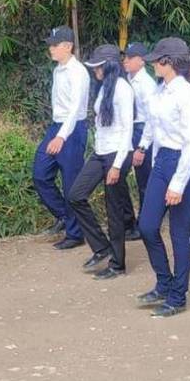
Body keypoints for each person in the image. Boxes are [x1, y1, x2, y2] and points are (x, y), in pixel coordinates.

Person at [133, 37, 190, 317]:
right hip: (163, 161)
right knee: (147, 226)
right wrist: (145, 150)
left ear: (170, 63)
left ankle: (178, 296)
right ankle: (164, 281)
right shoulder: (160, 92)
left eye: (157, 61)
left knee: (178, 233)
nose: (153, 65)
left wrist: (178, 183)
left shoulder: (188, 96)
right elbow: (153, 125)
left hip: (184, 164)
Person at [65, 45, 135, 279]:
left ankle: (117, 264)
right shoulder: (104, 87)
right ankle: (102, 247)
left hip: (118, 154)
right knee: (76, 194)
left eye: (98, 66)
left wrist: (116, 165)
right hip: (101, 152)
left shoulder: (123, 90)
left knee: (113, 211)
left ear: (110, 66)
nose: (95, 70)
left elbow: (127, 130)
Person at [32, 26, 90, 249]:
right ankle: (65, 217)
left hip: (72, 130)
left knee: (70, 182)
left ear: (68, 46)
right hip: (57, 126)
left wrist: (62, 137)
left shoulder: (78, 72)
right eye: (50, 45)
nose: (51, 49)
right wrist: (56, 134)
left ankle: (75, 234)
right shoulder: (58, 69)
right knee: (40, 174)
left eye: (54, 45)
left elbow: (75, 109)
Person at [122, 41, 157, 240]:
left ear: (141, 61)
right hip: (129, 129)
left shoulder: (146, 84)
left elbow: (152, 119)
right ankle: (130, 220)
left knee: (144, 180)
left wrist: (142, 147)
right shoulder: (127, 79)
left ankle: (144, 223)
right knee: (119, 174)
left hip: (143, 131)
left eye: (130, 57)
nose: (125, 60)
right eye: (125, 57)